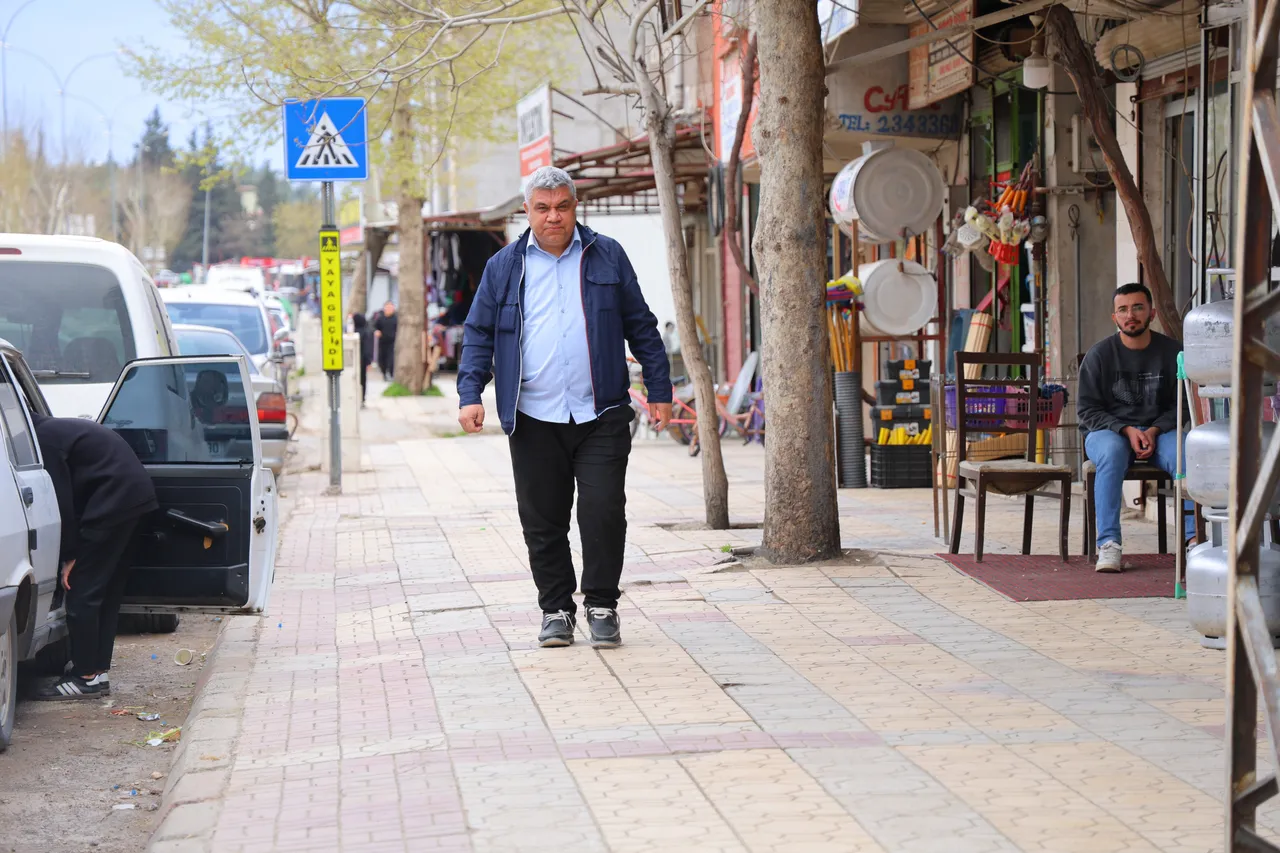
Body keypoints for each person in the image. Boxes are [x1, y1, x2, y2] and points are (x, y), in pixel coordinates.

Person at [457, 166, 672, 649]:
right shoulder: (504, 267)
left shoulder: (608, 255)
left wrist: (660, 389)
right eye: (543, 207)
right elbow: (479, 334)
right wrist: (470, 394)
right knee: (543, 518)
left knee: (602, 512)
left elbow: (641, 325)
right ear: (528, 211)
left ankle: (601, 604)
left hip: (601, 412)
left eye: (562, 206)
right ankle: (555, 609)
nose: (553, 216)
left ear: (576, 207)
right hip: (532, 415)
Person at [28, 413, 158, 699]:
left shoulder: (44, 441)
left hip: (113, 502)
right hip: (133, 499)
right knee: (107, 592)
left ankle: (84, 676)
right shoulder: (58, 429)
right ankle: (97, 671)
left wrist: (70, 555)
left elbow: (60, 501)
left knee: (81, 592)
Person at [1078, 282, 1194, 572]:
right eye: (1123, 309)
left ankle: (1195, 540)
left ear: (1152, 313)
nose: (1131, 314)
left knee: (1188, 453)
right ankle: (1109, 544)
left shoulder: (1173, 352)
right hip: (1109, 433)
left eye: (1138, 307)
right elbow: (1087, 410)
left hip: (1161, 432)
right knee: (1113, 453)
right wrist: (1125, 430)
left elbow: (1182, 404)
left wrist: (1153, 430)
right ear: (1114, 316)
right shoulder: (1099, 355)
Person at [352, 313, 375, 406]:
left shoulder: (353, 332)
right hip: (363, 360)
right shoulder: (367, 332)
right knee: (363, 379)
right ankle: (362, 398)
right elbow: (368, 348)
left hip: (354, 360)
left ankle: (355, 397)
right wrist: (369, 361)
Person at [373, 301, 398, 380]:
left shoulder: (396, 318)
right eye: (387, 307)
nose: (389, 309)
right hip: (382, 342)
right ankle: (384, 373)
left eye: (391, 307)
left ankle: (391, 374)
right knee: (382, 359)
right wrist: (376, 331)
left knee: (391, 359)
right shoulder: (380, 318)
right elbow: (374, 326)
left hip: (392, 342)